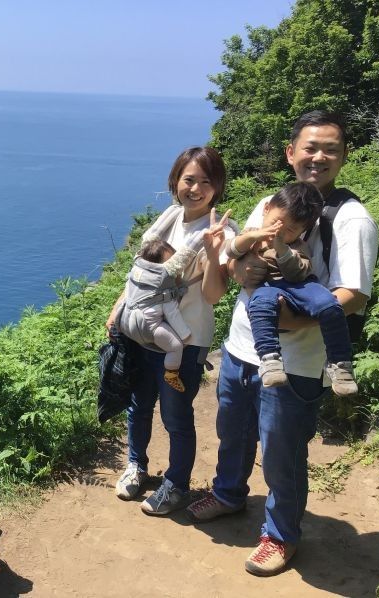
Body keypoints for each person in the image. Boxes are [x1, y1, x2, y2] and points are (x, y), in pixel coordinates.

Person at [186, 111, 379, 576]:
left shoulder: (351, 217)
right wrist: (241, 270)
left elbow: (352, 295)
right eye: (309, 148)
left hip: (296, 363)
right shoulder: (272, 203)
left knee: (282, 451)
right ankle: (229, 493)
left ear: (344, 156)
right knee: (232, 432)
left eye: (330, 149)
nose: (319, 157)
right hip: (240, 347)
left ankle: (280, 535)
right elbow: (239, 258)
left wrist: (290, 319)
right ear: (291, 153)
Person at [106, 146, 236, 515]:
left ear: (218, 187)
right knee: (139, 406)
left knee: (176, 417)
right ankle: (137, 466)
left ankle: (176, 485)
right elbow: (143, 274)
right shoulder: (170, 216)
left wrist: (212, 254)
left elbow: (213, 295)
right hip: (143, 329)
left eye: (205, 182)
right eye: (188, 179)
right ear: (175, 181)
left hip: (186, 338)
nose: (195, 189)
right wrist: (120, 306)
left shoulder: (222, 232)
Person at [228, 181, 358, 395]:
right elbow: (231, 251)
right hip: (267, 287)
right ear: (266, 209)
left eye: (290, 230)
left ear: (302, 231)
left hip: (299, 285)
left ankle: (340, 363)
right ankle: (269, 360)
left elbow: (296, 273)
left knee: (329, 304)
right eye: (277, 222)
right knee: (260, 305)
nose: (280, 231)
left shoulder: (297, 245)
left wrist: (281, 247)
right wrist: (253, 237)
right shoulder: (252, 234)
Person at [117, 232, 207, 392]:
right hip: (147, 328)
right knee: (176, 346)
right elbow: (173, 315)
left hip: (125, 323)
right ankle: (171, 374)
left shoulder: (136, 275)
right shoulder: (163, 291)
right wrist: (185, 336)